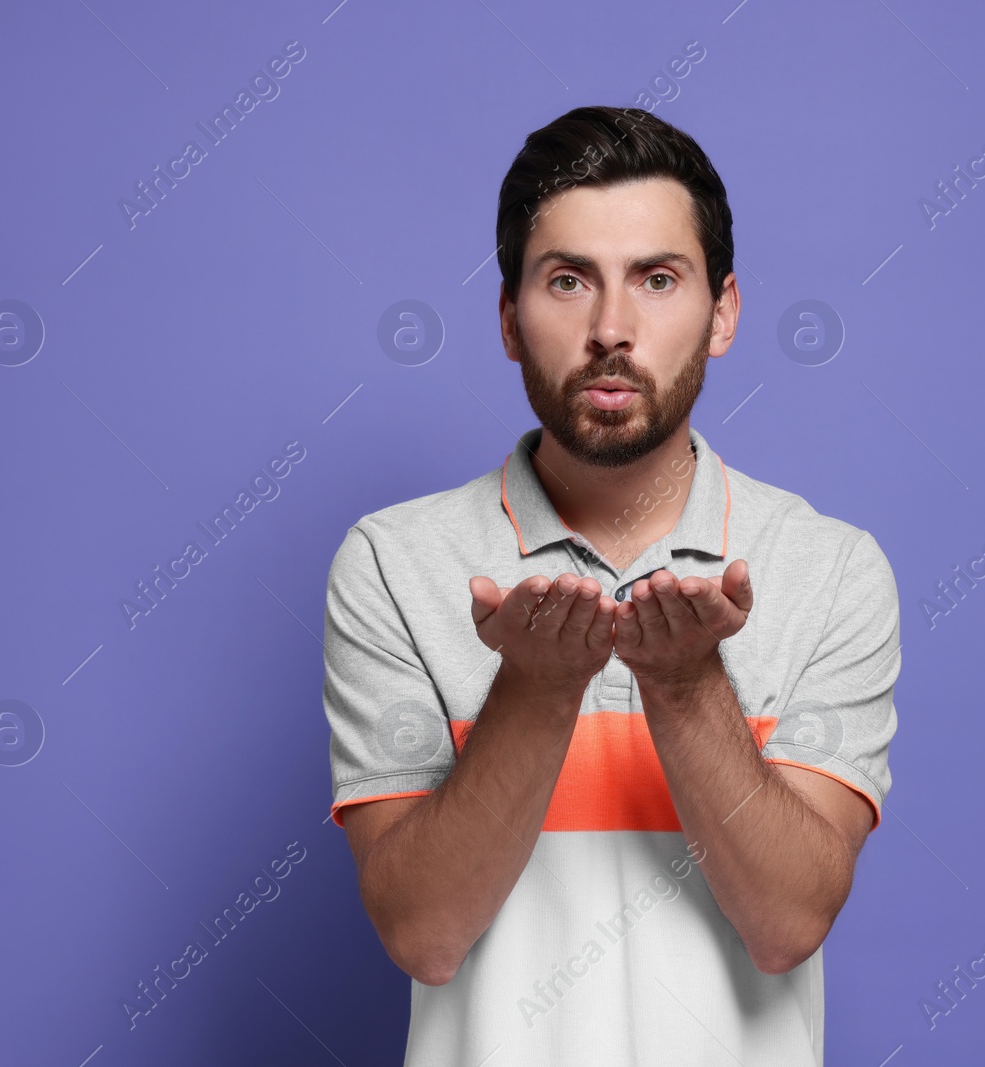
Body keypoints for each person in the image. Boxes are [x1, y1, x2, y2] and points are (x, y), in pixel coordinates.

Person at [323, 105, 900, 1066]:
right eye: (567, 281)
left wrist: (686, 686)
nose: (611, 330)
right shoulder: (392, 560)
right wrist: (537, 689)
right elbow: (424, 934)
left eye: (658, 279)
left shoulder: (830, 567)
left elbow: (786, 924)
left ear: (722, 313)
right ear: (510, 320)